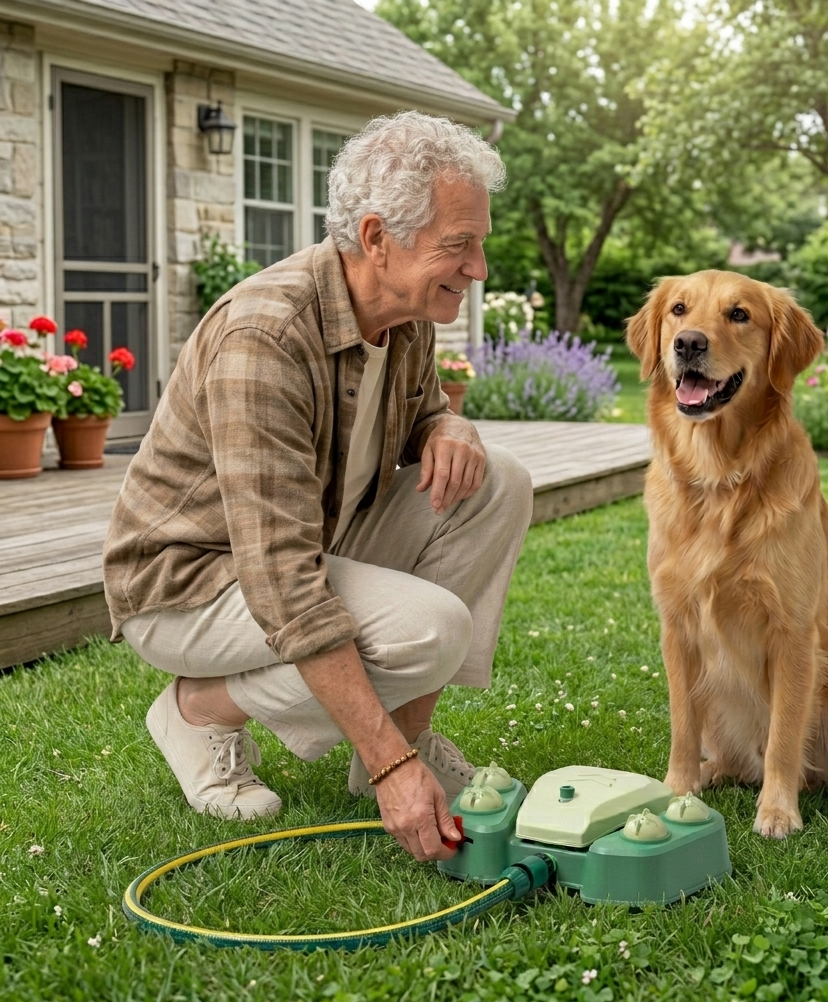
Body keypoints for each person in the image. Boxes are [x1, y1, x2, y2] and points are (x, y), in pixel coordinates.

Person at [103, 111, 533, 864]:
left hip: (306, 545)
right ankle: (198, 707)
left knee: (498, 481)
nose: (479, 269)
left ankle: (408, 735)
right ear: (376, 239)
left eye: (480, 242)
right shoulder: (265, 339)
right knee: (427, 630)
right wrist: (389, 770)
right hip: (189, 581)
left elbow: (420, 415)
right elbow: (283, 581)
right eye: (458, 246)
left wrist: (447, 430)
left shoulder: (406, 314)